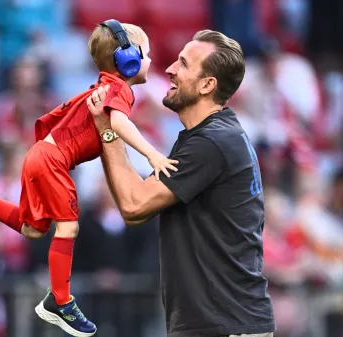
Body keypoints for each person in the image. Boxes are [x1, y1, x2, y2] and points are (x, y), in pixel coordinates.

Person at [0, 19, 177, 337]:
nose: (151, 61)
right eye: (145, 53)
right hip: (53, 161)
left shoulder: (101, 85)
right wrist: (152, 153)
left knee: (34, 228)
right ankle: (59, 301)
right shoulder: (118, 89)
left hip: (44, 157)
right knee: (68, 226)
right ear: (125, 59)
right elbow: (121, 125)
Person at [86, 30, 276, 337]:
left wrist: (108, 130)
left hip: (225, 326)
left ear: (207, 85)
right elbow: (135, 201)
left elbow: (134, 206)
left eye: (184, 64)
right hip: (223, 323)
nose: (171, 70)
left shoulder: (211, 143)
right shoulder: (208, 138)